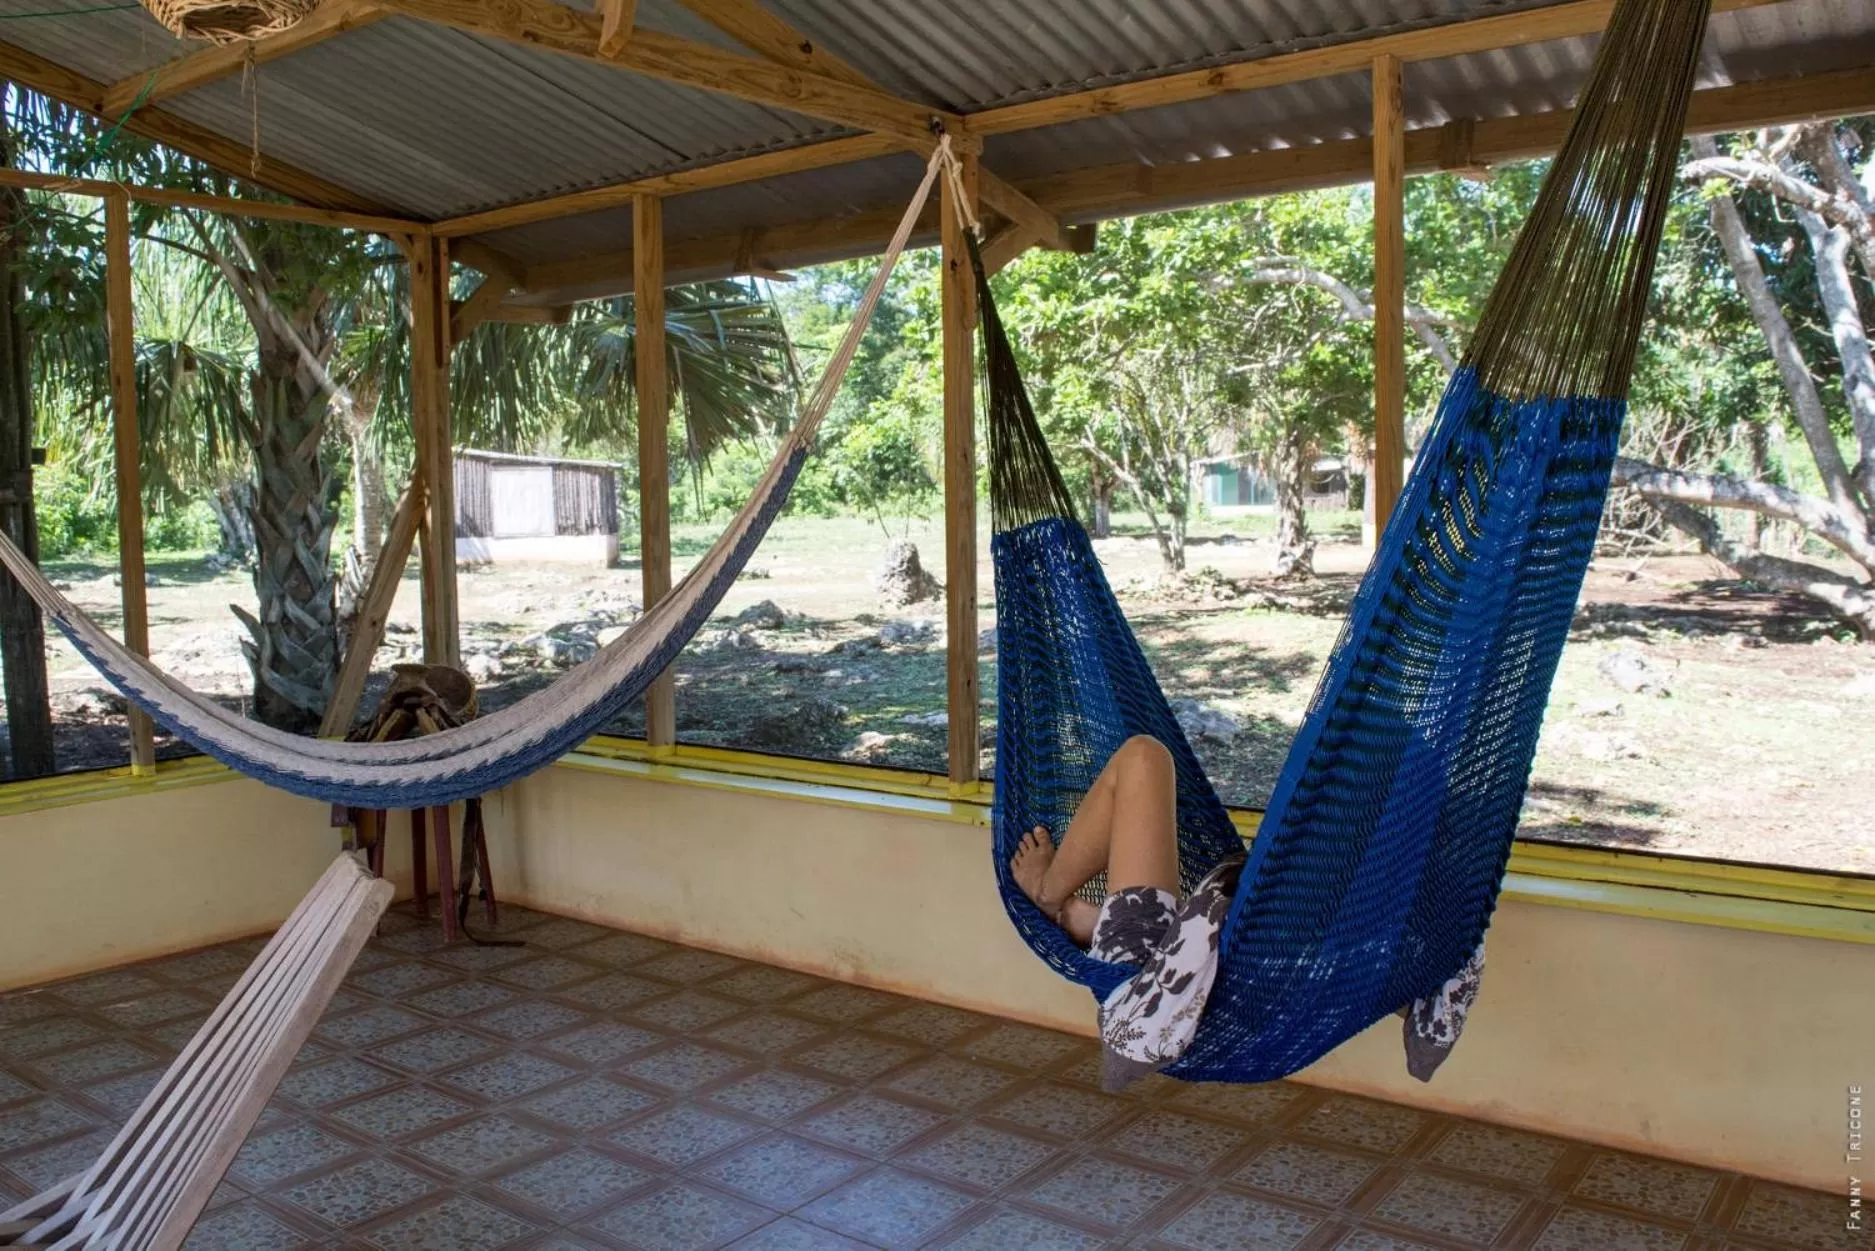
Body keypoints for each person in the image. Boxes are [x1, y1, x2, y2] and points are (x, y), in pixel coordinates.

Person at [1009, 734, 1484, 1090]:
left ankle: (1052, 896)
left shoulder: (1271, 899)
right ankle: (1081, 919)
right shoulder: (1394, 913)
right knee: (1145, 758)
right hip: (1204, 951)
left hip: (1157, 980)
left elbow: (1149, 1009)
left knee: (1141, 756)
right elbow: (1422, 990)